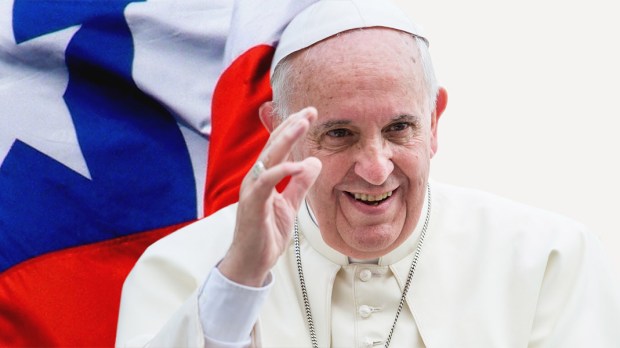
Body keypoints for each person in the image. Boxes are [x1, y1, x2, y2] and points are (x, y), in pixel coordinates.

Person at [115, 0, 620, 347]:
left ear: (434, 121)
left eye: (400, 128)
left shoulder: (551, 258)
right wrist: (241, 282)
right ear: (277, 130)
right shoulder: (182, 266)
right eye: (339, 134)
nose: (376, 169)